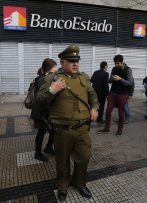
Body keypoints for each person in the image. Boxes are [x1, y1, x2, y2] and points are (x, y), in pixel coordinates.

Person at [36, 44, 98, 201]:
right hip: (62, 130)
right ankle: (63, 186)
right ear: (62, 62)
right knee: (62, 161)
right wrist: (52, 90)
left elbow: (93, 96)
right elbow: (39, 100)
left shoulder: (84, 78)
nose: (75, 63)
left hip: (82, 128)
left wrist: (94, 108)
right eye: (71, 61)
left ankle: (80, 183)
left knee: (84, 158)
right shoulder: (53, 78)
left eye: (77, 60)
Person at [98, 54, 134, 135]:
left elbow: (130, 83)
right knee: (108, 111)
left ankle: (120, 129)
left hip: (122, 94)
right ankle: (106, 128)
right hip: (112, 93)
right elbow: (109, 81)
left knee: (121, 113)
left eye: (118, 63)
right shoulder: (114, 69)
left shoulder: (128, 69)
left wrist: (120, 79)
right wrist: (112, 78)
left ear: (122, 62)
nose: (116, 65)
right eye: (115, 63)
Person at [30, 58, 57, 162]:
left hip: (47, 111)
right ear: (49, 68)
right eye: (54, 66)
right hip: (41, 111)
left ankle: (48, 147)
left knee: (53, 131)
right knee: (41, 132)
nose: (56, 68)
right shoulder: (42, 79)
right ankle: (38, 153)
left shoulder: (49, 78)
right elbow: (43, 97)